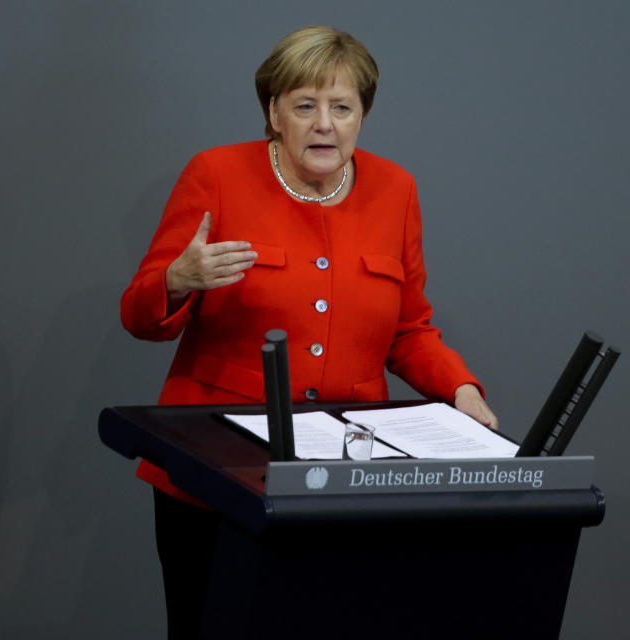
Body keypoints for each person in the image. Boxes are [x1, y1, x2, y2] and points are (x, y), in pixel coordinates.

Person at [120, 25, 498, 638]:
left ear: (362, 116)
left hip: (348, 478)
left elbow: (409, 330)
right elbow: (138, 316)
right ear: (274, 112)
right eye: (304, 105)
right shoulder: (216, 174)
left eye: (341, 107)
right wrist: (178, 280)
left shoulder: (396, 189)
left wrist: (460, 390)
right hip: (217, 472)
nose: (324, 123)